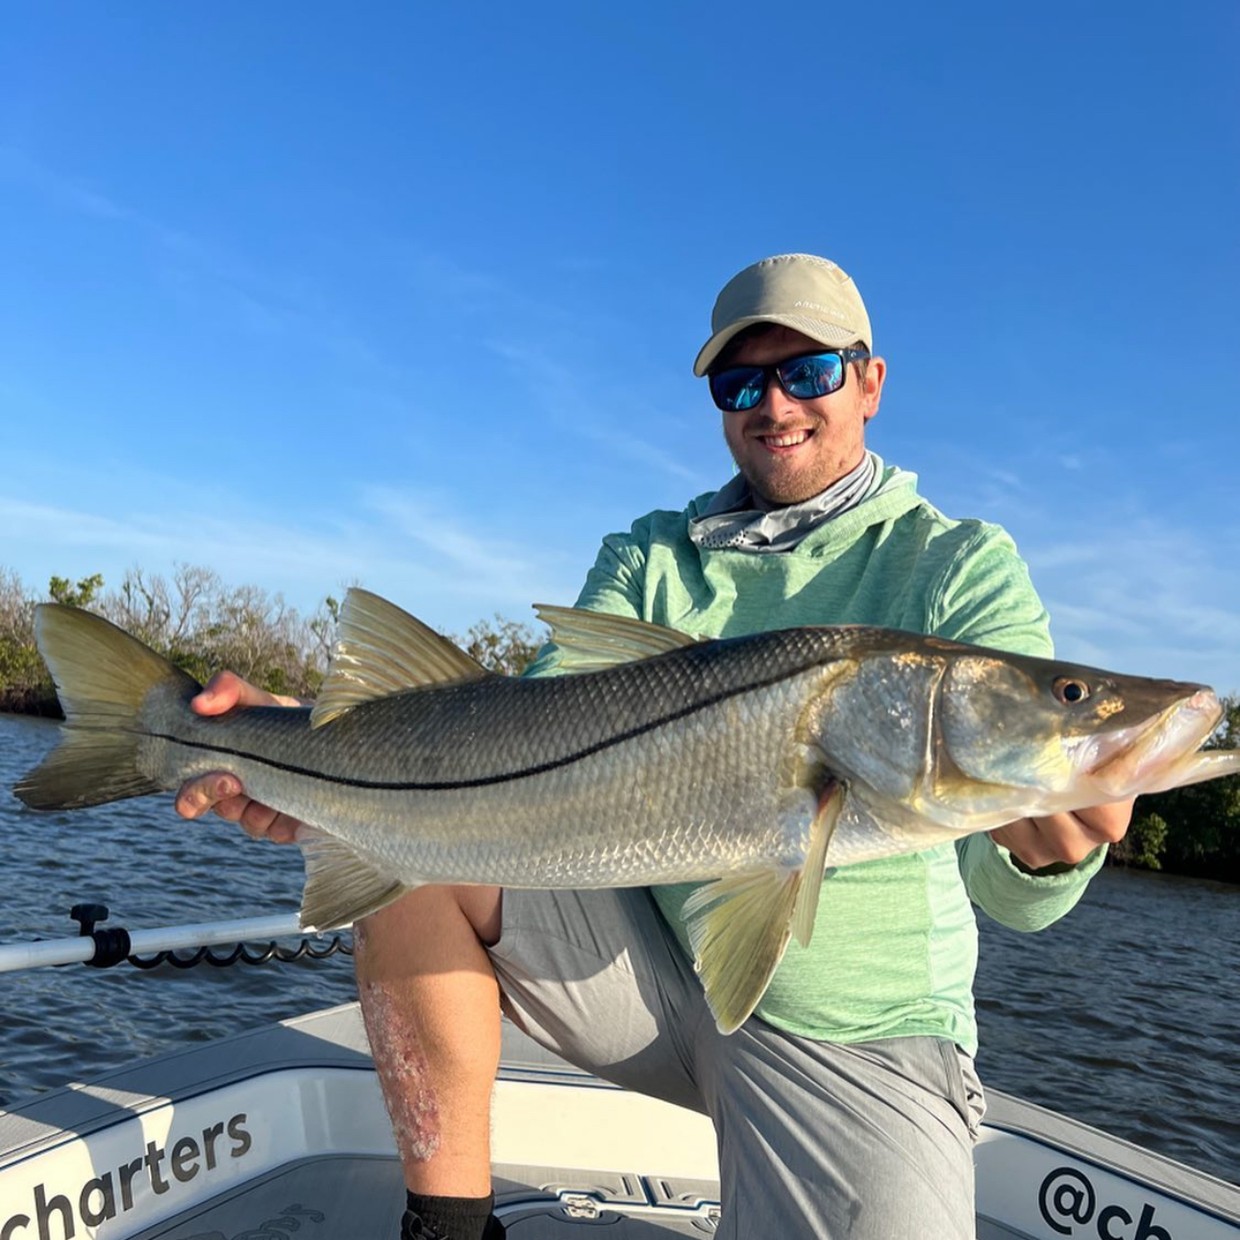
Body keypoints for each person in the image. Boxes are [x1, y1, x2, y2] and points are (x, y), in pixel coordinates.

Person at [176, 252, 1132, 1240]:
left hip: (859, 1037)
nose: (775, 403)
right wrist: (309, 741)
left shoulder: (955, 565)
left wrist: (1052, 849)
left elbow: (1014, 887)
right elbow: (520, 727)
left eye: (807, 372)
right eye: (740, 381)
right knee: (414, 847)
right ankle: (448, 1226)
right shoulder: (650, 553)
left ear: (869, 382)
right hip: (644, 980)